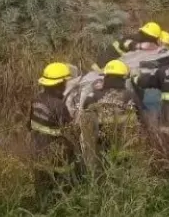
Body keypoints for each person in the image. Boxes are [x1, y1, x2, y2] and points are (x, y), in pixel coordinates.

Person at [29, 62, 78, 202]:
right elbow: (69, 132)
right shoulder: (59, 105)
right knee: (60, 191)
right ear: (61, 83)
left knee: (42, 191)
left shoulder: (37, 99)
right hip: (57, 156)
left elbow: (30, 126)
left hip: (37, 151)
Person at [81, 59, 144, 166]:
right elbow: (141, 118)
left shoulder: (93, 96)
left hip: (100, 150)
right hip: (126, 149)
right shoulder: (130, 96)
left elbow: (84, 121)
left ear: (105, 76)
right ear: (123, 78)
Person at [93, 21, 163, 70]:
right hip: (104, 65)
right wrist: (139, 45)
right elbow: (126, 43)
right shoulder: (137, 38)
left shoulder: (138, 37)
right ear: (151, 37)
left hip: (105, 63)